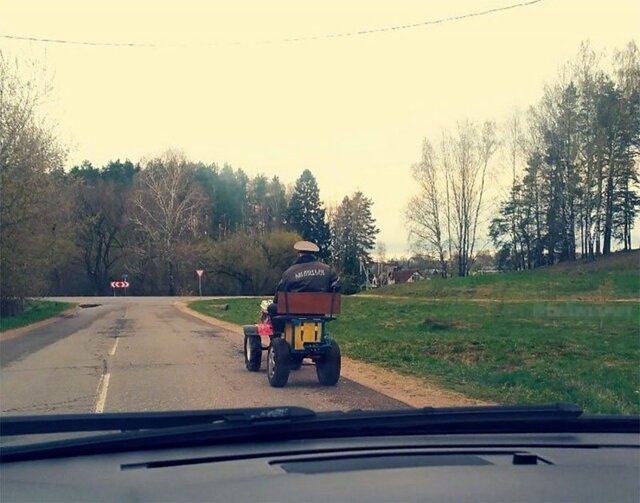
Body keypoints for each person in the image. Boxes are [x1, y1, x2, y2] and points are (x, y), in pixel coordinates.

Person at [268, 240, 339, 333]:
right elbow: (336, 287)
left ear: (299, 253)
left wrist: (275, 301)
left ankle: (278, 335)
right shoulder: (327, 269)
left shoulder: (290, 272)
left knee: (272, 308)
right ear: (314, 254)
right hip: (319, 311)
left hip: (295, 311)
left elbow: (279, 294)